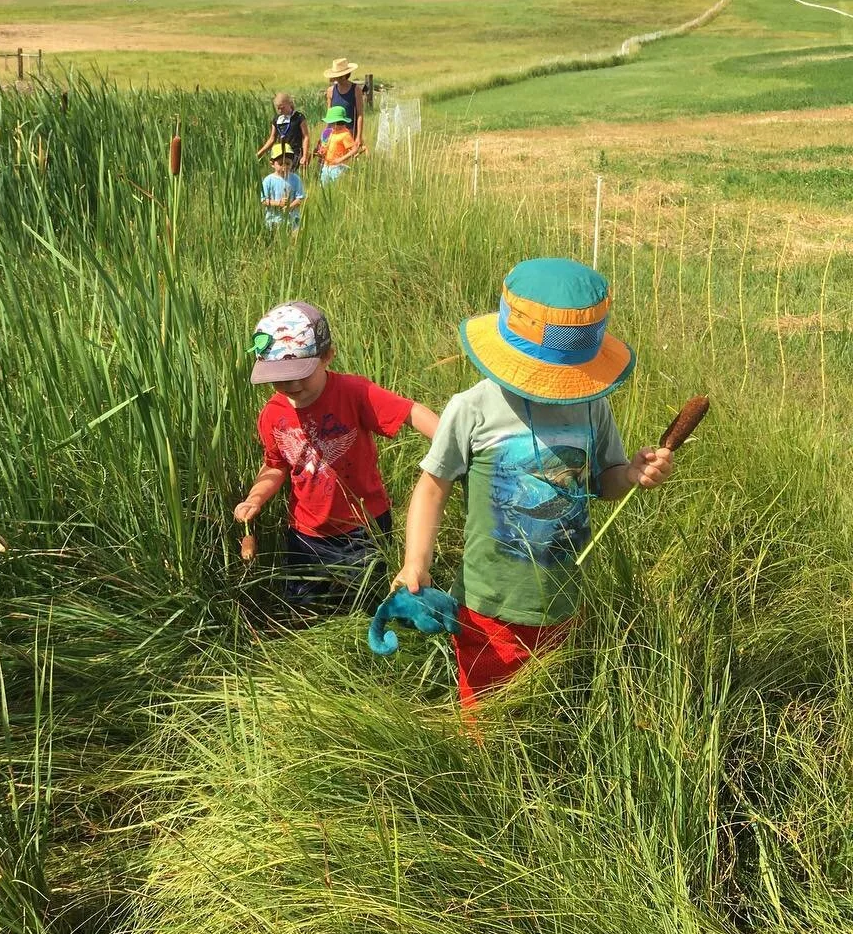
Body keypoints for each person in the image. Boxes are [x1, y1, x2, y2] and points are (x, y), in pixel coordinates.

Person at [392, 258, 676, 707]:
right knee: (487, 714)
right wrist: (415, 563)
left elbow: (605, 483)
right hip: (490, 604)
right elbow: (432, 487)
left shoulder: (592, 405)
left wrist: (632, 474)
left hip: (565, 598)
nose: (555, 389)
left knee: (551, 705)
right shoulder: (472, 408)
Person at [234, 301, 439, 614]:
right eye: (281, 377)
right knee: (303, 605)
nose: (292, 385)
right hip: (306, 533)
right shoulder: (272, 415)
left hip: (363, 527)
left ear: (327, 356)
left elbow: (409, 412)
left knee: (366, 601)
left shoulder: (354, 393)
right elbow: (275, 466)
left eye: (301, 373)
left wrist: (448, 441)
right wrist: (255, 498)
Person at [255, 92, 311, 169]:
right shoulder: (277, 119)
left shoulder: (299, 117)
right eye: (278, 108)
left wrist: (305, 156)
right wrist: (260, 153)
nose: (280, 110)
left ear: (289, 104)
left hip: (295, 153)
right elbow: (272, 139)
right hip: (281, 153)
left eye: (282, 108)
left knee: (290, 172)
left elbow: (305, 137)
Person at [260, 143, 305, 229]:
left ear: (292, 163)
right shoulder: (268, 180)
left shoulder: (295, 179)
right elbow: (263, 200)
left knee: (293, 234)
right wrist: (278, 203)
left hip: (292, 220)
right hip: (273, 220)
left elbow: (299, 198)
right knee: (275, 235)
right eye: (281, 164)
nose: (285, 167)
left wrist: (290, 207)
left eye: (288, 163)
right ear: (272, 164)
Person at [324, 58, 364, 151]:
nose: (337, 79)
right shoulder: (331, 91)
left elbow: (360, 115)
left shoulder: (356, 90)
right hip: (334, 134)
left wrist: (359, 136)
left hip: (349, 133)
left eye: (339, 76)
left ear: (345, 75)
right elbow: (329, 117)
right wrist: (325, 136)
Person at [317, 106, 357, 185]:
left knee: (336, 186)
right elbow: (328, 146)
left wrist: (340, 159)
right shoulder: (331, 132)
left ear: (337, 122)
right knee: (323, 186)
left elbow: (354, 149)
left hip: (338, 167)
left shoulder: (345, 134)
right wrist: (323, 151)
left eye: (331, 123)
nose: (330, 125)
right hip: (326, 165)